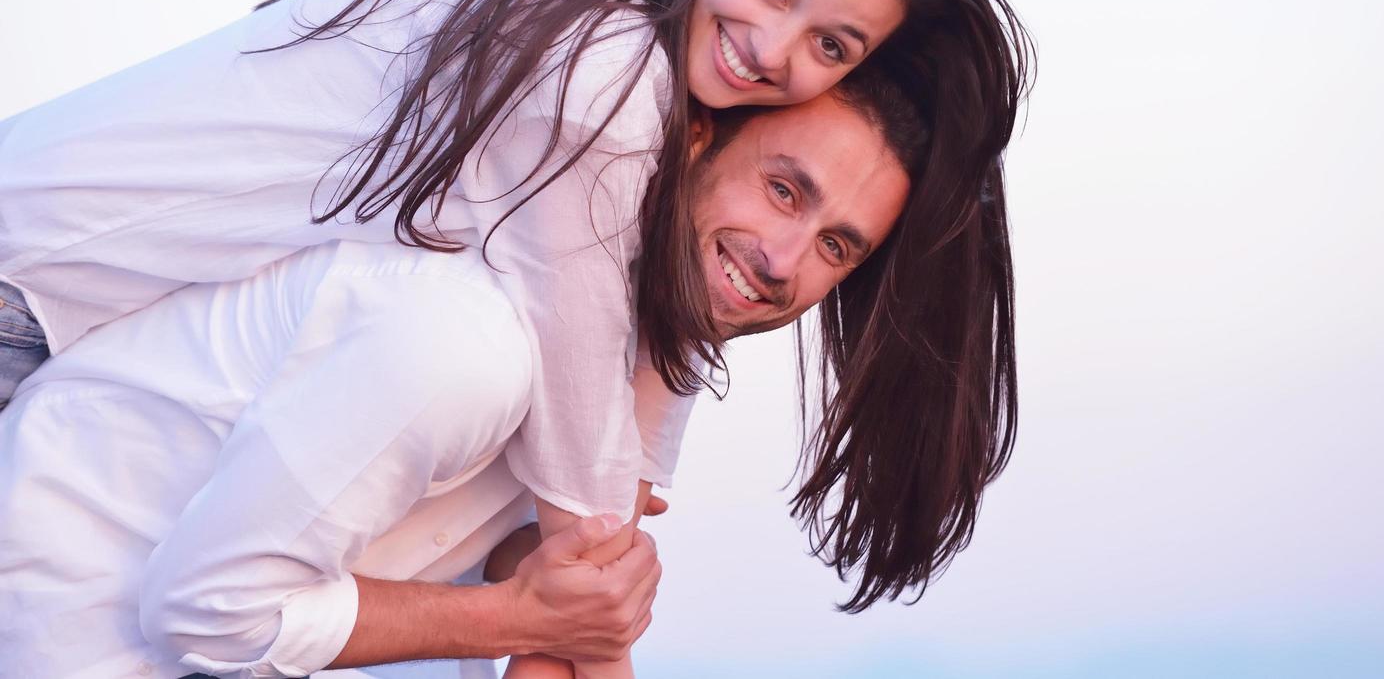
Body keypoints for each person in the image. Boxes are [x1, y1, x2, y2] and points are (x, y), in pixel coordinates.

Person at [0, 0, 1029, 642]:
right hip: (27, 282)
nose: (773, 48)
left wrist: (589, 573)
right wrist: (585, 600)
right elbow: (586, 507)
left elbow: (626, 435)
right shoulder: (603, 74)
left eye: (830, 45)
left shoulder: (633, 39)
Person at [0, 75, 919, 678]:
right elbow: (208, 615)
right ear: (691, 147)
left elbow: (528, 569)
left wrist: (568, 598)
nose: (783, 258)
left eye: (834, 245)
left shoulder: (639, 358)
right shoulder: (462, 337)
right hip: (64, 632)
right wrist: (524, 614)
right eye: (783, 190)